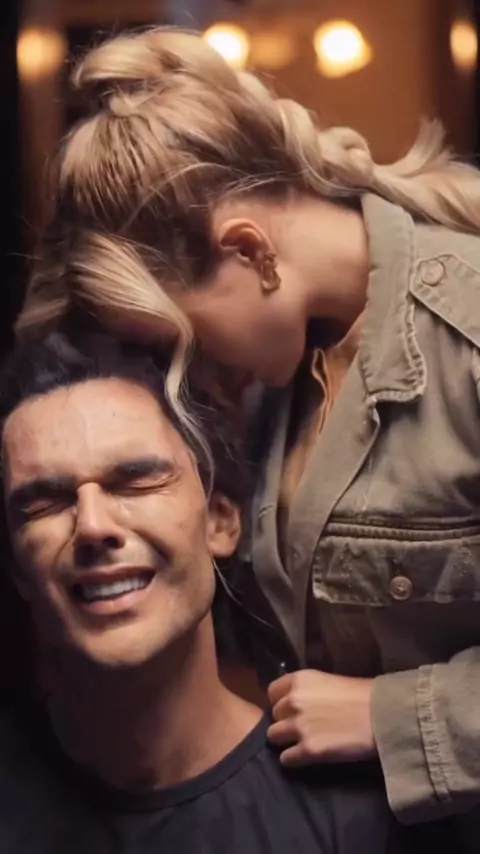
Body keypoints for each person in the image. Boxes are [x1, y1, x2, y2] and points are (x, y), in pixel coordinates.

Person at [15, 26, 480, 844]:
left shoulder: (465, 340)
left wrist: (399, 719)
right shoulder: (284, 373)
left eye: (186, 339)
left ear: (249, 250)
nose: (189, 372)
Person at [0, 330, 414, 854]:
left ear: (220, 521)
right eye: (45, 503)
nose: (93, 526)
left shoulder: (360, 812)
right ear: (18, 567)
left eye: (136, 481)